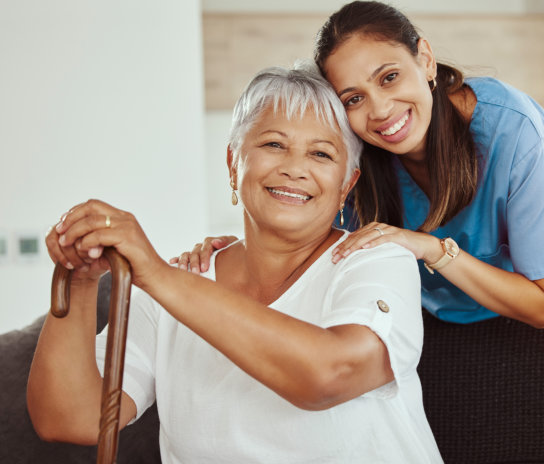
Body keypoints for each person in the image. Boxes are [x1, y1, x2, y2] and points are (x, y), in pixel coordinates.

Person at [27, 63, 443, 463]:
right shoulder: (177, 283)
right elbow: (71, 420)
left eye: (320, 154)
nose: (294, 168)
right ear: (232, 164)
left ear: (345, 185)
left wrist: (158, 275)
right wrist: (78, 283)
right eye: (273, 144)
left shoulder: (376, 261)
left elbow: (328, 376)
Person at [176, 1, 544, 329]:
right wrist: (231, 257)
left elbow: (542, 305)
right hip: (459, 320)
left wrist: (431, 248)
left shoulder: (512, 129)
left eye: (389, 77)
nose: (380, 110)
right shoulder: (357, 154)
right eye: (353, 98)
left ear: (425, 60)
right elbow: (313, 243)